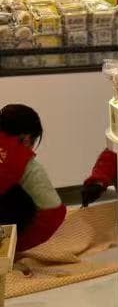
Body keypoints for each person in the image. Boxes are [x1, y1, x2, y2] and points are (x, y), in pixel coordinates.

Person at [0, 104, 66, 253]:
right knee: (23, 201)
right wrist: (14, 248)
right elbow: (53, 213)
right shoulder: (26, 164)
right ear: (26, 138)